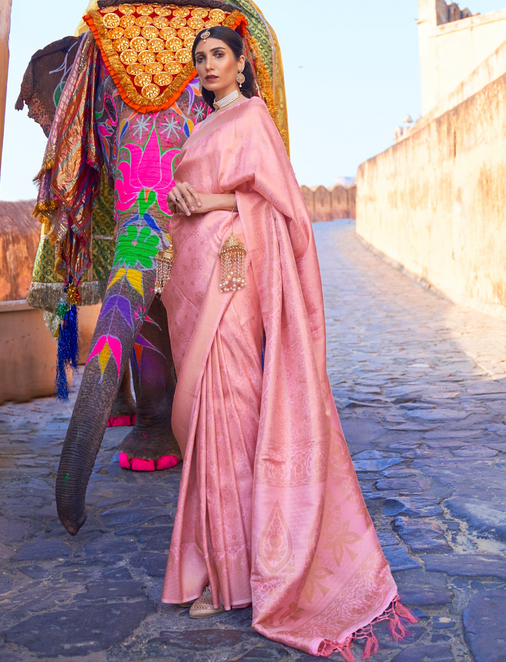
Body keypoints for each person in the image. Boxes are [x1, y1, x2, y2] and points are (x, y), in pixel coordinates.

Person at [160, 26, 416, 660]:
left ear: (243, 63)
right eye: (199, 57)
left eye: (218, 55)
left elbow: (282, 210)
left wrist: (212, 200)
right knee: (206, 422)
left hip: (235, 280)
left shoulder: (251, 120)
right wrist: (182, 200)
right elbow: (196, 206)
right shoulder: (197, 131)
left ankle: (246, 574)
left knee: (236, 410)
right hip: (197, 282)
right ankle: (222, 567)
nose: (207, 64)